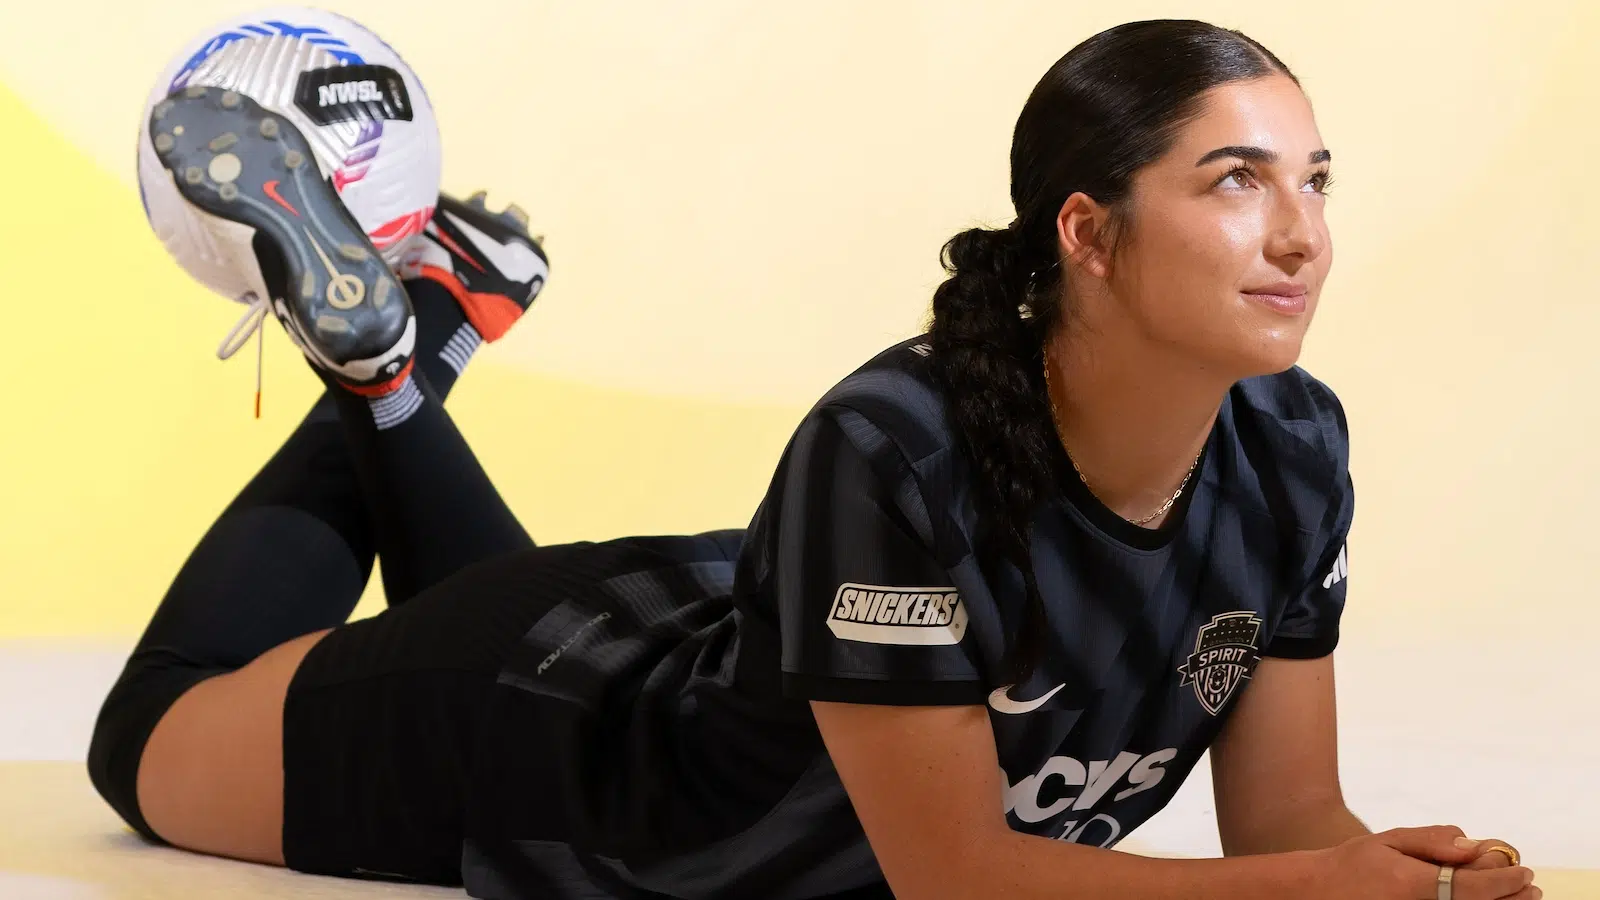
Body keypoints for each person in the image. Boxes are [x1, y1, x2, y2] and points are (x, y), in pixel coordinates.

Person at [86, 18, 1539, 900]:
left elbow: (1284, 830)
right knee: (142, 744)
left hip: (714, 642)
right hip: (543, 745)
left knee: (500, 606)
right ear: (1087, 234)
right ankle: (395, 360)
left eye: (1315, 180)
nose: (1302, 234)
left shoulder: (1295, 449)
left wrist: (1406, 878)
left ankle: (410, 349)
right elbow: (954, 879)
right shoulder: (893, 444)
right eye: (1237, 182)